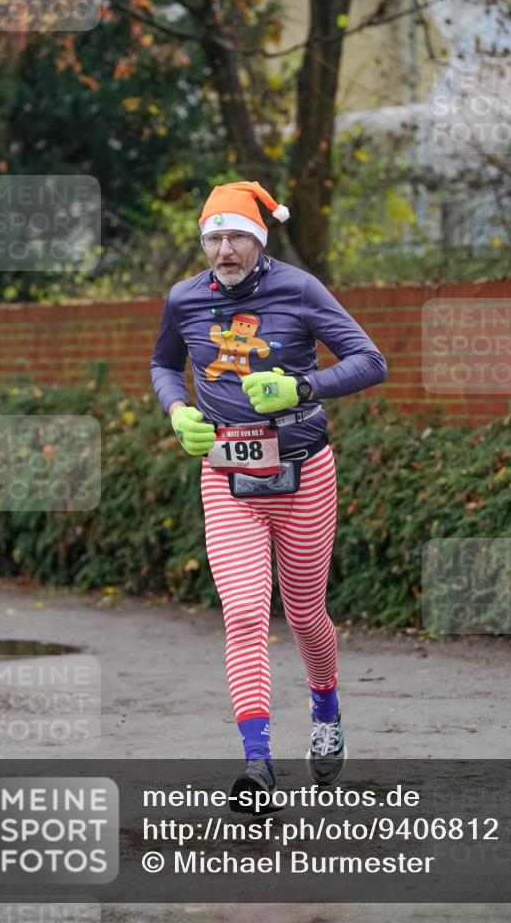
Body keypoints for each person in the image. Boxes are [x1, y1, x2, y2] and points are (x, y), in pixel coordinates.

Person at [150, 181, 387, 813]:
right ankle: (258, 764)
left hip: (303, 470)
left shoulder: (300, 288)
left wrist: (302, 389)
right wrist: (177, 412)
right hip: (227, 476)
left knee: (306, 614)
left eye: (237, 237)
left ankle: (326, 702)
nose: (224, 250)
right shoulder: (184, 299)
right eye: (213, 238)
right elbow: (164, 366)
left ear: (259, 239)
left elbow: (371, 361)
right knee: (247, 613)